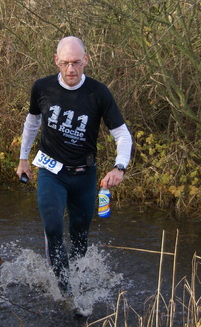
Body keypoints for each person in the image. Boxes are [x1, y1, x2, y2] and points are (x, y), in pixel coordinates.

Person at [16, 36, 132, 293]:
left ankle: (77, 286)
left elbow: (122, 134)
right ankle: (66, 292)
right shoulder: (42, 88)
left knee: (80, 240)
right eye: (66, 63)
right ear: (56, 61)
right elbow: (32, 122)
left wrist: (119, 167)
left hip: (84, 176)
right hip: (51, 171)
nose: (71, 70)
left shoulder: (98, 92)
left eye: (77, 63)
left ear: (86, 61)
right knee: (54, 226)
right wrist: (23, 159)